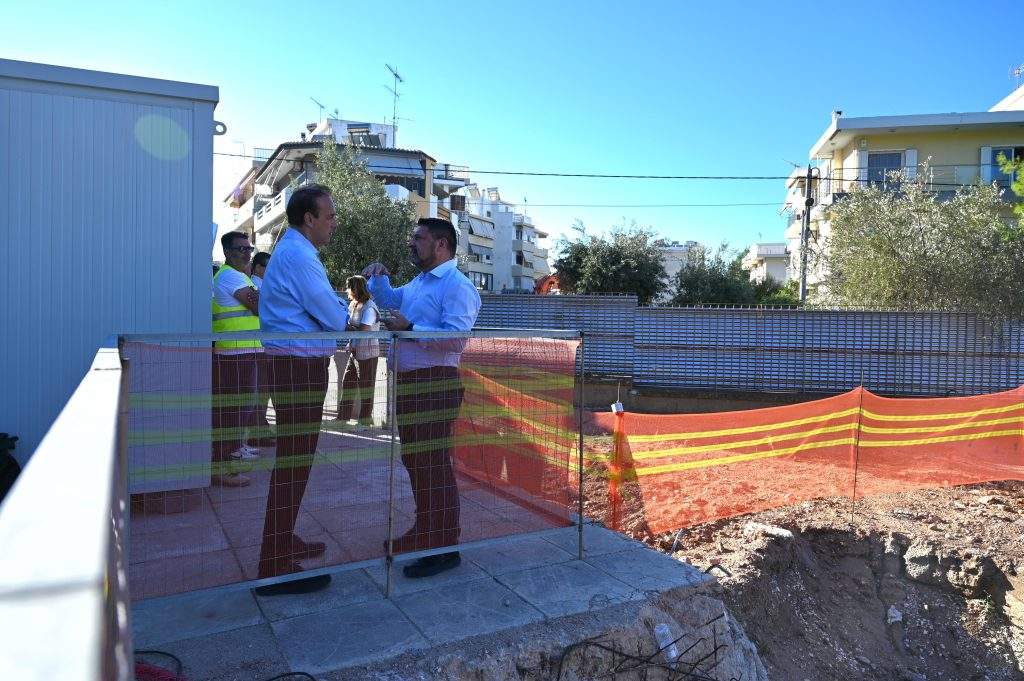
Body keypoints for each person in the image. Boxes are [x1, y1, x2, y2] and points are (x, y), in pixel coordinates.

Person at [363, 217, 481, 579]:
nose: (411, 243)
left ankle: (444, 547)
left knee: (432, 464)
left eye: (418, 237)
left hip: (435, 384)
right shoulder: (420, 282)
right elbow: (390, 301)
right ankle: (425, 530)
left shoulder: (457, 286)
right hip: (412, 384)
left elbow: (456, 338)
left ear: (441, 244)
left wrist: (411, 328)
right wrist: (378, 279)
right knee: (416, 461)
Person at [255, 184, 348, 595]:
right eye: (329, 216)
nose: (334, 223)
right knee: (294, 462)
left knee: (295, 462)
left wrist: (332, 314)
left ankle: (281, 541)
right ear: (309, 219)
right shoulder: (299, 257)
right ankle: (273, 564)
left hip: (297, 366)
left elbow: (326, 314)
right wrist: (338, 313)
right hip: (298, 369)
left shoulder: (296, 252)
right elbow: (334, 317)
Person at [210, 232, 262, 488]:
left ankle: (231, 454)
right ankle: (222, 467)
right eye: (241, 249)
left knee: (240, 409)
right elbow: (259, 306)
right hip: (233, 354)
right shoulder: (230, 276)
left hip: (242, 351)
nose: (247, 253)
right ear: (227, 252)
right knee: (232, 412)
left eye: (249, 248)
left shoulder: (239, 276)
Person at [339, 275, 380, 427]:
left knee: (366, 387)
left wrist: (347, 328)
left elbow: (364, 330)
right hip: (355, 351)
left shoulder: (369, 307)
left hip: (368, 352)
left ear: (355, 288)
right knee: (348, 383)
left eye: (349, 287)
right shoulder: (354, 304)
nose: (347, 290)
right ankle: (342, 418)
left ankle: (364, 421)